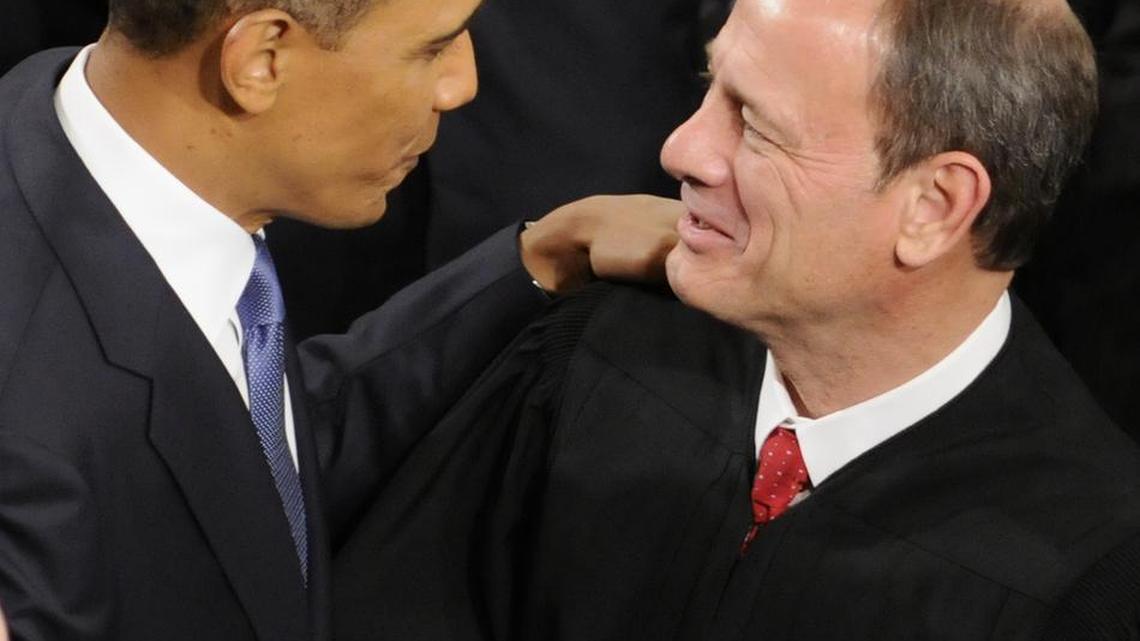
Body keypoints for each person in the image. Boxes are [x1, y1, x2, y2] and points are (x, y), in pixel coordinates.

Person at [331, 0, 1140, 639]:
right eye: (706, 90)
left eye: (753, 124)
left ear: (935, 205)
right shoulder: (586, 353)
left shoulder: (1087, 570)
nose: (681, 149)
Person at [0, 0, 681, 639]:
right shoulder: (35, 467)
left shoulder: (65, 131)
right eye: (433, 47)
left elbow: (238, 463)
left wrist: (537, 261)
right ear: (262, 59)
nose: (461, 84)